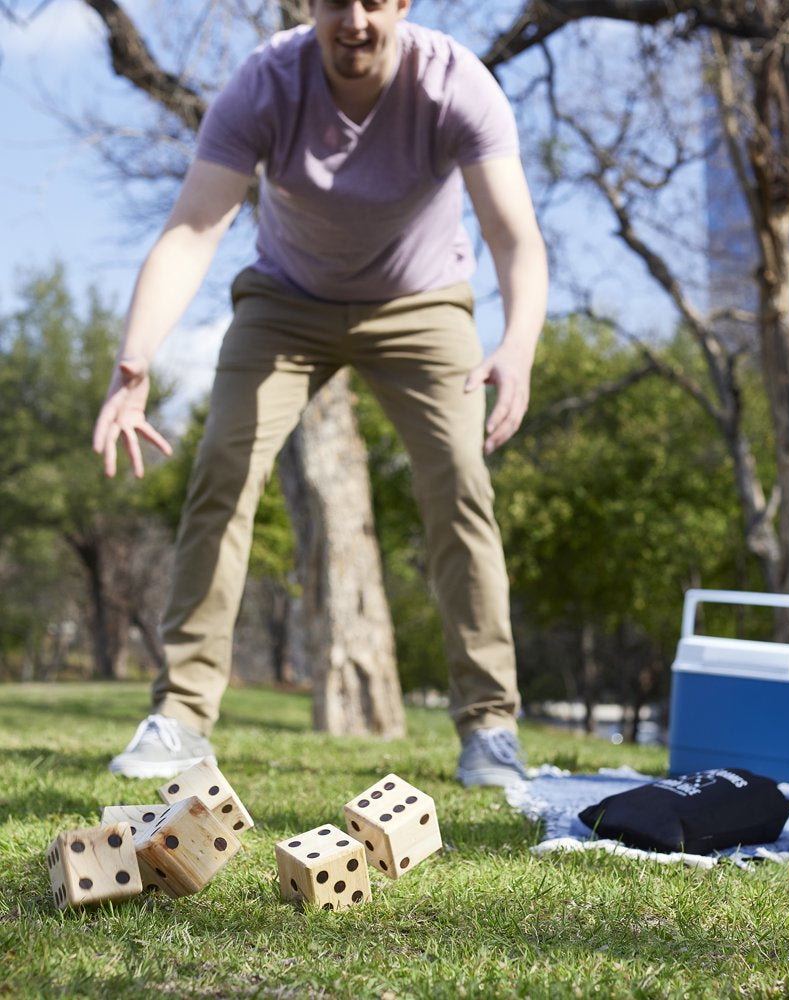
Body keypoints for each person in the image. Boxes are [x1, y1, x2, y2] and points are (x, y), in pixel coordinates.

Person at [92, 0, 548, 788]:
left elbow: (514, 235)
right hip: (287, 303)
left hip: (422, 302)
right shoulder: (265, 85)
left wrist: (518, 344)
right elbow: (195, 228)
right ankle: (182, 716)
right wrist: (135, 357)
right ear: (309, 5)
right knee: (223, 472)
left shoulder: (454, 84)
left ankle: (490, 728)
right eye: (337, 0)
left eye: (375, 0)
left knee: (461, 487)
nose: (356, 20)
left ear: (403, 4)